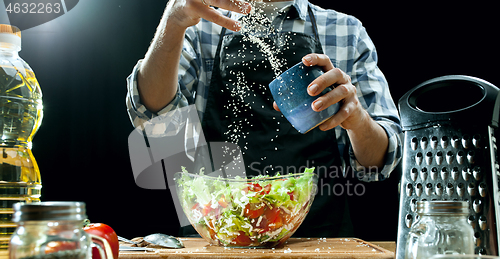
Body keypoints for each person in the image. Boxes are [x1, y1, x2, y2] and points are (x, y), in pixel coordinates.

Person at [126, 0, 403, 237]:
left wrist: (357, 119)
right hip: (218, 236)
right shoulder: (199, 27)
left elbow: (380, 162)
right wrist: (174, 20)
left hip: (318, 240)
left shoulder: (345, 31)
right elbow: (153, 119)